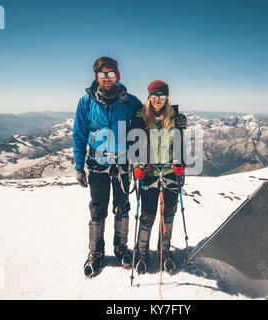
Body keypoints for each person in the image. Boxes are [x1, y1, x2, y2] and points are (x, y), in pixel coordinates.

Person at [73, 57, 143, 277]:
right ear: (96, 77)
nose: (106, 78)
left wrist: (174, 118)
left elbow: (149, 120)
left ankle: (120, 247)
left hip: (122, 163)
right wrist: (78, 166)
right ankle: (96, 251)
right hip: (97, 164)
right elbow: (79, 134)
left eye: (110, 74)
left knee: (122, 206)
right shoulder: (86, 102)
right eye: (102, 75)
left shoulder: (129, 102)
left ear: (117, 76)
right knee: (98, 208)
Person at [130, 80, 186, 274]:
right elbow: (135, 144)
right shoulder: (140, 117)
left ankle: (164, 251)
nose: (158, 99)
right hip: (148, 172)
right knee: (147, 214)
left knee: (169, 213)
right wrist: (137, 165)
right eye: (154, 95)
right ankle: (142, 253)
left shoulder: (175, 116)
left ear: (167, 97)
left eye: (162, 96)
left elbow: (179, 145)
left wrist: (180, 163)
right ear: (149, 96)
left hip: (170, 172)